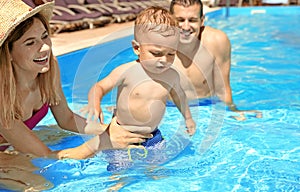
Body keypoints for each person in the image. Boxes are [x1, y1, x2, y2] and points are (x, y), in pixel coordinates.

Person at [0, 0, 152, 159]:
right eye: (30, 43)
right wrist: (103, 142)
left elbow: (67, 118)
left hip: (14, 144)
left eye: (45, 36)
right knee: (41, 184)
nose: (45, 48)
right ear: (7, 53)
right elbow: (46, 156)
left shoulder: (48, 68)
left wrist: (113, 130)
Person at [80, 6, 196, 171]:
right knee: (119, 171)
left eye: (171, 54)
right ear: (137, 48)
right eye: (156, 53)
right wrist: (94, 104)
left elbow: (179, 96)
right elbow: (99, 87)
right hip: (120, 135)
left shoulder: (172, 76)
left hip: (152, 136)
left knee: (157, 170)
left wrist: (188, 118)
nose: (164, 60)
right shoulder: (126, 71)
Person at [169, 0, 262, 120]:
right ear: (170, 20)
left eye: (192, 20)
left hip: (207, 106)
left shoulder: (217, 41)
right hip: (170, 109)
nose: (186, 27)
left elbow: (223, 87)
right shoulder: (157, 44)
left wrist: (232, 110)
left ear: (202, 21)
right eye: (180, 20)